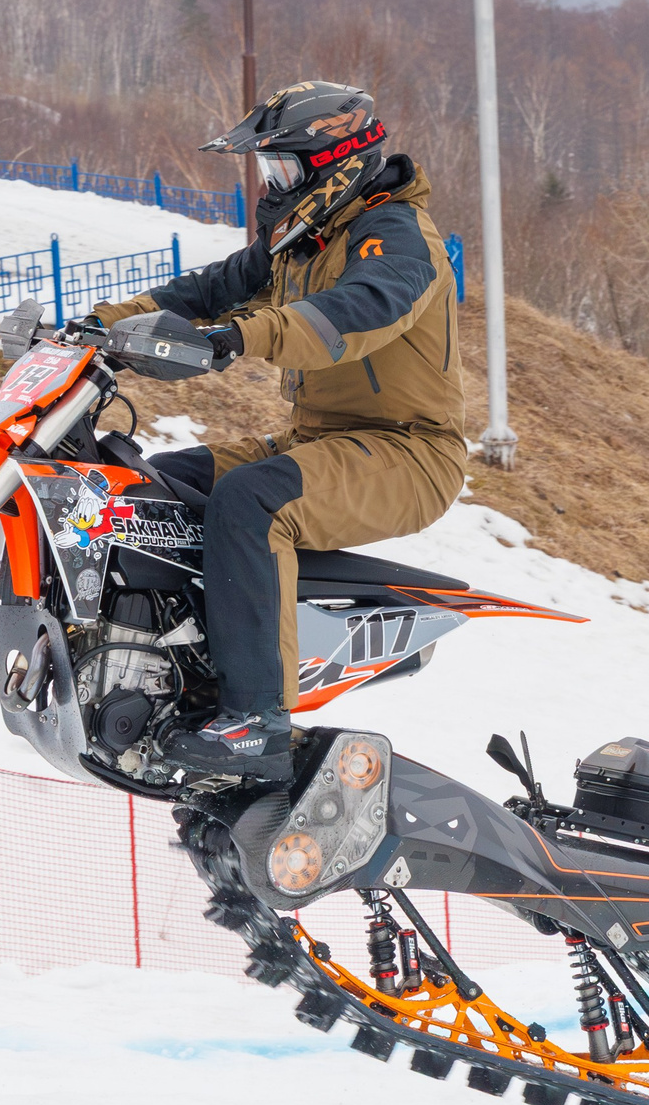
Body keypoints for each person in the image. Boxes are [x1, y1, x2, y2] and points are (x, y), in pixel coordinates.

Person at [89, 80, 463, 779]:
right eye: (269, 171)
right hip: (321, 440)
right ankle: (173, 671)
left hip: (409, 453)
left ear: (337, 162)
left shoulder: (398, 237)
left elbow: (355, 313)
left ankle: (257, 718)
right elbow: (207, 287)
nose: (273, 185)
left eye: (284, 168)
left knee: (252, 500)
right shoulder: (301, 238)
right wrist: (103, 323)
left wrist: (238, 338)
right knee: (155, 481)